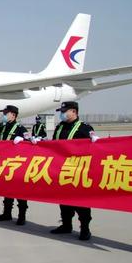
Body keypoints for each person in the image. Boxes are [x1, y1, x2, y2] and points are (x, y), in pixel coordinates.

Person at [48, 101, 98, 240]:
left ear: (74, 112)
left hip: (78, 171)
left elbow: (92, 149)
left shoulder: (84, 128)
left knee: (80, 202)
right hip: (61, 170)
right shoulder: (60, 127)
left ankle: (85, 229)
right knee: (63, 200)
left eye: (64, 111)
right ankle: (66, 225)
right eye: (61, 111)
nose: (62, 114)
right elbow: (53, 145)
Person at [0, 105, 30, 224]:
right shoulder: (3, 128)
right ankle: (7, 213)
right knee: (7, 190)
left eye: (6, 113)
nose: (4, 115)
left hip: (17, 165)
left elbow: (29, 143)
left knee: (20, 192)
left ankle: (21, 216)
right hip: (4, 164)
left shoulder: (21, 129)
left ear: (13, 115)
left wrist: (23, 141)